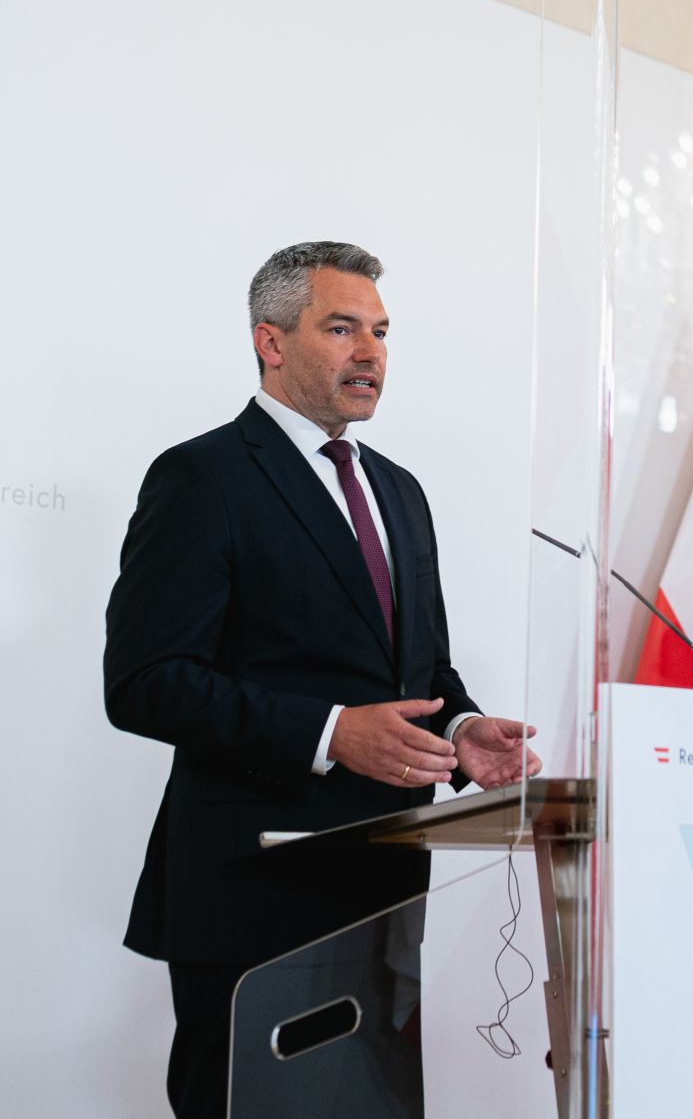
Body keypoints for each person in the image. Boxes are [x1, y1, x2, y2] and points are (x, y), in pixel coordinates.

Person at [103, 241, 541, 1119]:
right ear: (270, 340)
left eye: (380, 332)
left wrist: (461, 730)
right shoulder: (204, 477)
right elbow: (145, 681)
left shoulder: (399, 490)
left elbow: (423, 670)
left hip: (380, 892)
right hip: (252, 893)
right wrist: (330, 731)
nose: (370, 353)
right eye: (342, 328)